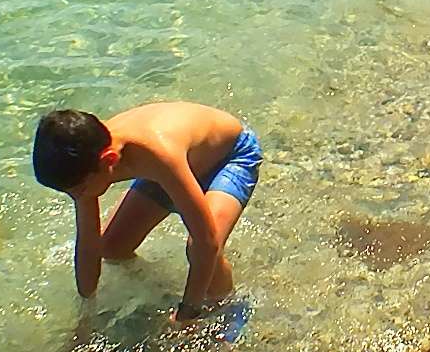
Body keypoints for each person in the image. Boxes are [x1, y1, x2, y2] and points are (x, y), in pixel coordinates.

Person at [31, 101, 261, 308]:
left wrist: (188, 311)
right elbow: (89, 244)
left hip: (230, 155)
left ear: (109, 162)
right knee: (112, 248)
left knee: (199, 248)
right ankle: (163, 287)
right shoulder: (88, 157)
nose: (78, 198)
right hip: (180, 164)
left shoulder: (155, 154)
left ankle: (226, 307)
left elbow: (207, 241)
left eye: (79, 191)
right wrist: (85, 313)